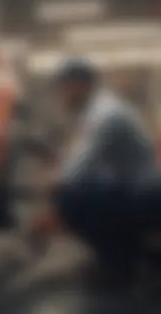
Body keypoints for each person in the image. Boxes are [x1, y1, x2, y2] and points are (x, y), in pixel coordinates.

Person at [49, 58, 160, 286]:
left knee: (68, 198)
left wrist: (52, 188)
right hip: (135, 190)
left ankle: (120, 263)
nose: (62, 95)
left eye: (64, 88)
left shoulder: (105, 114)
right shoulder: (98, 109)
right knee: (81, 189)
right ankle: (133, 252)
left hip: (144, 196)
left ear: (79, 85)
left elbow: (77, 169)